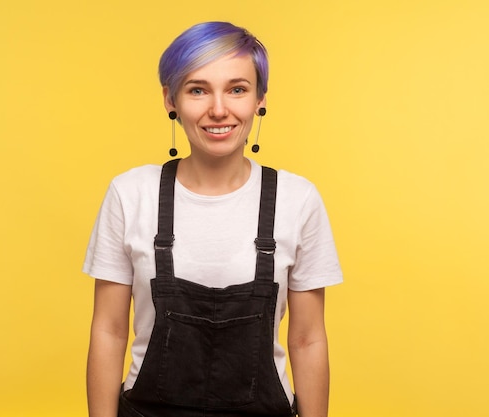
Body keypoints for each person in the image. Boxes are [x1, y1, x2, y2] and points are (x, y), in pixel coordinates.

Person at [83, 21, 343, 417]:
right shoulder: (130, 193)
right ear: (170, 99)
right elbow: (109, 331)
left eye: (237, 89)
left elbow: (307, 339)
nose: (218, 109)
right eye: (197, 90)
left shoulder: (298, 199)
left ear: (260, 99)